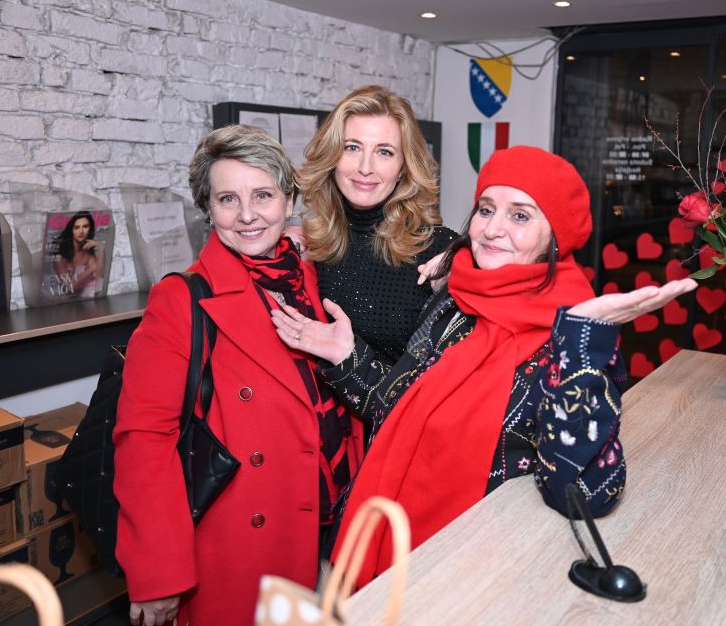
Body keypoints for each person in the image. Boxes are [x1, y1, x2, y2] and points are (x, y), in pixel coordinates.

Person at [272, 146, 697, 587]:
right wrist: (348, 358)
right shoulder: (457, 300)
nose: (492, 229)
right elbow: (396, 411)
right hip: (378, 549)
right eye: (486, 209)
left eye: (520, 216)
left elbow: (587, 494)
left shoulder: (575, 334)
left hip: (475, 575)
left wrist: (581, 346)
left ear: (555, 237)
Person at [113, 125, 364, 626]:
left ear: (289, 200)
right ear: (208, 209)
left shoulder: (312, 278)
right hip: (246, 542)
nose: (247, 215)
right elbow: (143, 439)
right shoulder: (182, 300)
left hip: (337, 525)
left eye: (263, 195)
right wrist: (158, 572)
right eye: (228, 199)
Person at [297, 85, 458, 363]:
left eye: (384, 152)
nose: (365, 167)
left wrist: (467, 270)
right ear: (332, 156)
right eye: (352, 147)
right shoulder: (315, 244)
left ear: (403, 167)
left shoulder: (441, 252)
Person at [52, 211, 104, 297]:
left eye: (85, 226)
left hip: (81, 299)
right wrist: (91, 269)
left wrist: (100, 247)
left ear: (90, 229)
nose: (81, 231)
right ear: (71, 230)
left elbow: (98, 275)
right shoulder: (60, 257)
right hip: (61, 301)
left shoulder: (87, 253)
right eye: (77, 227)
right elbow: (70, 287)